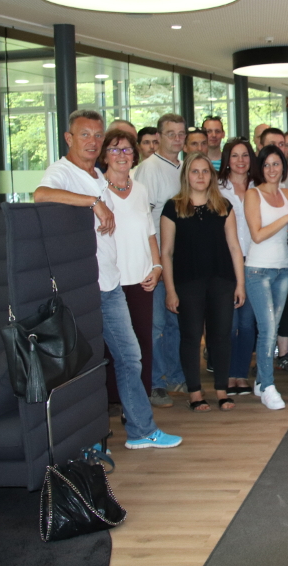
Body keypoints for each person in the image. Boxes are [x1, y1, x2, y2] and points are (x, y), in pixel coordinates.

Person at [34, 109, 182, 450]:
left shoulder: (99, 177)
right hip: (82, 287)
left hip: (110, 283)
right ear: (69, 138)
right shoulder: (64, 171)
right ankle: (88, 439)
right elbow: (41, 195)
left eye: (97, 135)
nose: (92, 141)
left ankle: (140, 431)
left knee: (130, 357)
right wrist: (94, 203)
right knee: (86, 365)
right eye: (84, 134)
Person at [161, 152, 247, 412]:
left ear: (212, 175)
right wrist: (170, 290)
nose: (200, 176)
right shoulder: (173, 207)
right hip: (187, 282)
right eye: (195, 171)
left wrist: (240, 284)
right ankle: (195, 393)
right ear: (186, 175)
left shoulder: (224, 206)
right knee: (190, 337)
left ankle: (221, 390)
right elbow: (166, 252)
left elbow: (235, 247)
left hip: (222, 280)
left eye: (205, 171)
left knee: (221, 337)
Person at [98, 129, 163, 408]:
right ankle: (114, 401)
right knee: (114, 348)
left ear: (134, 155)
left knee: (143, 343)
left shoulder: (140, 189)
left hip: (141, 278)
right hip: (110, 282)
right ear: (104, 156)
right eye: (114, 149)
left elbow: (150, 232)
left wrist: (157, 266)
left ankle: (138, 402)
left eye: (126, 149)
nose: (121, 155)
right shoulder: (95, 190)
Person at [133, 113, 188, 400]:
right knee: (155, 324)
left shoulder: (186, 167)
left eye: (181, 133)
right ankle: (155, 382)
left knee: (175, 321)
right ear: (159, 136)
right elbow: (144, 219)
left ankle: (176, 377)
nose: (177, 139)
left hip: (181, 258)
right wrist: (155, 261)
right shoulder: (149, 169)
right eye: (171, 134)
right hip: (156, 258)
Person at [244, 144, 288, 410]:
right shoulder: (253, 194)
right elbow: (257, 234)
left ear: (283, 167)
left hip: (283, 270)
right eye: (266, 164)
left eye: (276, 164)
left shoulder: (287, 193)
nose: (271, 169)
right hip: (258, 270)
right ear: (260, 168)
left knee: (273, 328)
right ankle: (268, 386)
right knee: (268, 330)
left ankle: (260, 380)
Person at [218, 138, 257, 397]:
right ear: (227, 159)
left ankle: (241, 374)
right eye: (235, 155)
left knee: (248, 323)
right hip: (226, 261)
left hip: (255, 261)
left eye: (245, 155)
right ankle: (226, 374)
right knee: (228, 323)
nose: (240, 161)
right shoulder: (217, 188)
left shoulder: (260, 186)